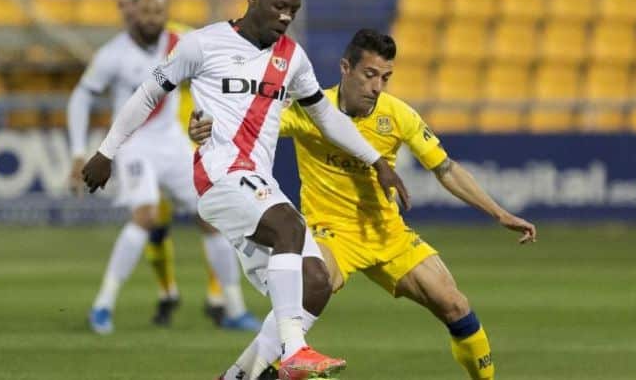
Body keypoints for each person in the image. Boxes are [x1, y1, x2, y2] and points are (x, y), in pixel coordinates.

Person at [80, 0, 410, 379]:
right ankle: (294, 352)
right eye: (279, 6)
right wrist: (105, 152)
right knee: (289, 226)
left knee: (317, 283)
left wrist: (377, 161)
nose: (287, 16)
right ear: (253, 0)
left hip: (257, 183)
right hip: (218, 175)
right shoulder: (200, 44)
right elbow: (146, 95)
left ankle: (238, 376)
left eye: (294, 9)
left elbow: (326, 117)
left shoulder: (292, 58)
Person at [190, 29, 537, 380]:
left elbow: (445, 168)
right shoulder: (311, 110)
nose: (377, 86)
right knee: (310, 286)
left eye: (385, 77)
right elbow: (248, 122)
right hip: (330, 233)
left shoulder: (397, 115)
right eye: (370, 75)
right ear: (346, 68)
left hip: (388, 234)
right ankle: (249, 371)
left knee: (455, 305)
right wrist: (205, 127)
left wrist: (500, 213)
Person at [68, 0, 259, 333]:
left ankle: (233, 307)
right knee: (146, 215)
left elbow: (226, 48)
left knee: (212, 214)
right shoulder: (114, 54)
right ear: (133, 14)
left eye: (159, 12)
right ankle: (103, 305)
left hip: (171, 142)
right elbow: (81, 97)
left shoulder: (179, 40)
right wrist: (79, 152)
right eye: (145, 12)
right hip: (134, 145)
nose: (152, 19)